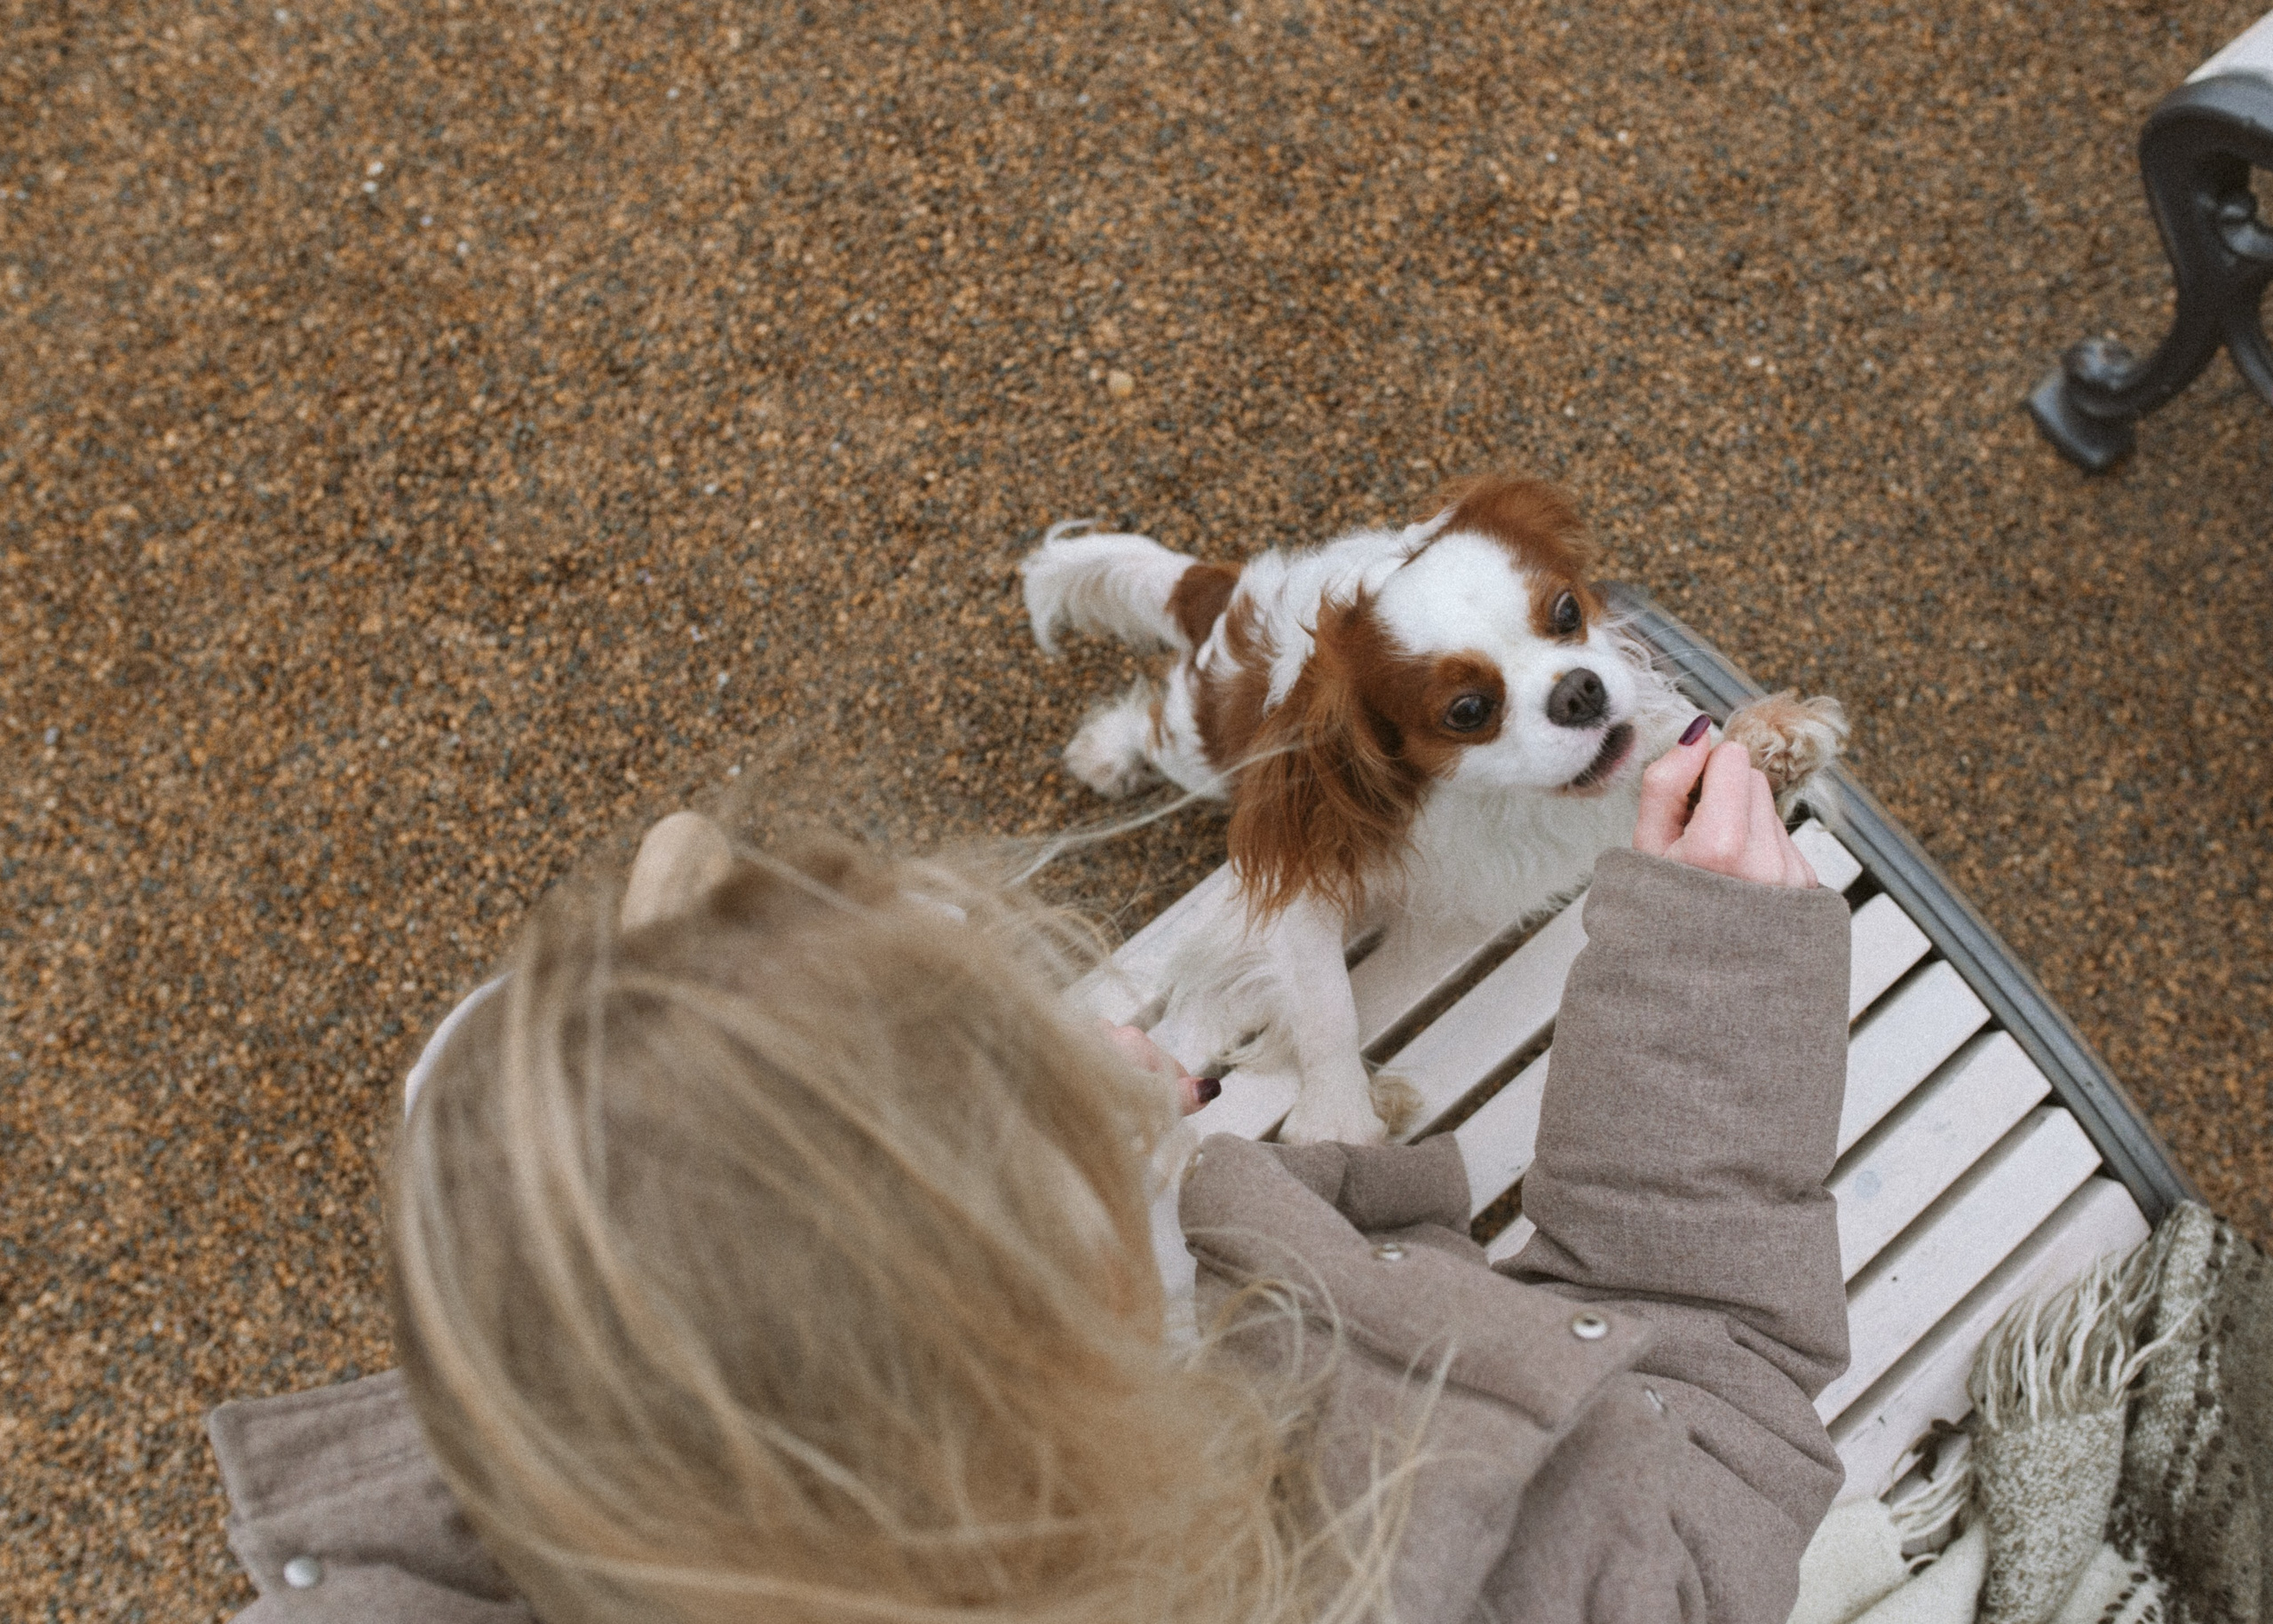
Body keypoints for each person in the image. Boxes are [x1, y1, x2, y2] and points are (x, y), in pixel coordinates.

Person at [203, 724, 1850, 1624]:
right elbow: (1721, 1388)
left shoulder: (617, 1460)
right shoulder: (1534, 1570)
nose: (1155, 1065)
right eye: (1118, 1133)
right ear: (1059, 1404)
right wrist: (1712, 998)